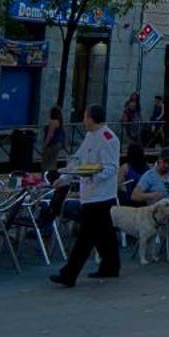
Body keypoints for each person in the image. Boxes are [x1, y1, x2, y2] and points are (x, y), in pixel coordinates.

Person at [51, 105, 121, 287]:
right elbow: (78, 160)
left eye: (84, 117)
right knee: (104, 234)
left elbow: (111, 167)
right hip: (89, 194)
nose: (83, 121)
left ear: (91, 118)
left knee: (85, 236)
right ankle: (111, 266)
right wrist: (65, 178)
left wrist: (91, 176)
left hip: (101, 196)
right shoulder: (90, 137)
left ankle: (69, 274)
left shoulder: (108, 138)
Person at [39, 106, 66, 176]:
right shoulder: (59, 121)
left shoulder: (52, 122)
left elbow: (50, 135)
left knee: (46, 162)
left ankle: (45, 177)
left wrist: (44, 145)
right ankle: (53, 177)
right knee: (53, 162)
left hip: (52, 144)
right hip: (58, 144)